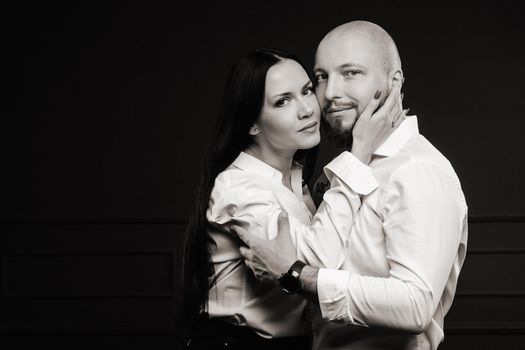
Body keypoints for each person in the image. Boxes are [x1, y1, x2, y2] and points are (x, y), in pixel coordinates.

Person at [234, 21, 468, 350]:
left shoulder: (417, 170)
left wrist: (298, 275)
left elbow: (415, 306)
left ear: (394, 82)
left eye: (351, 73)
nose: (329, 94)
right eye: (321, 77)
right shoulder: (347, 170)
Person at [180, 47, 405, 349]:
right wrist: (359, 152)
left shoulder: (296, 182)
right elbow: (310, 266)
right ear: (251, 123)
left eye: (307, 91)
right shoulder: (239, 188)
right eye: (282, 101)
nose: (308, 109)